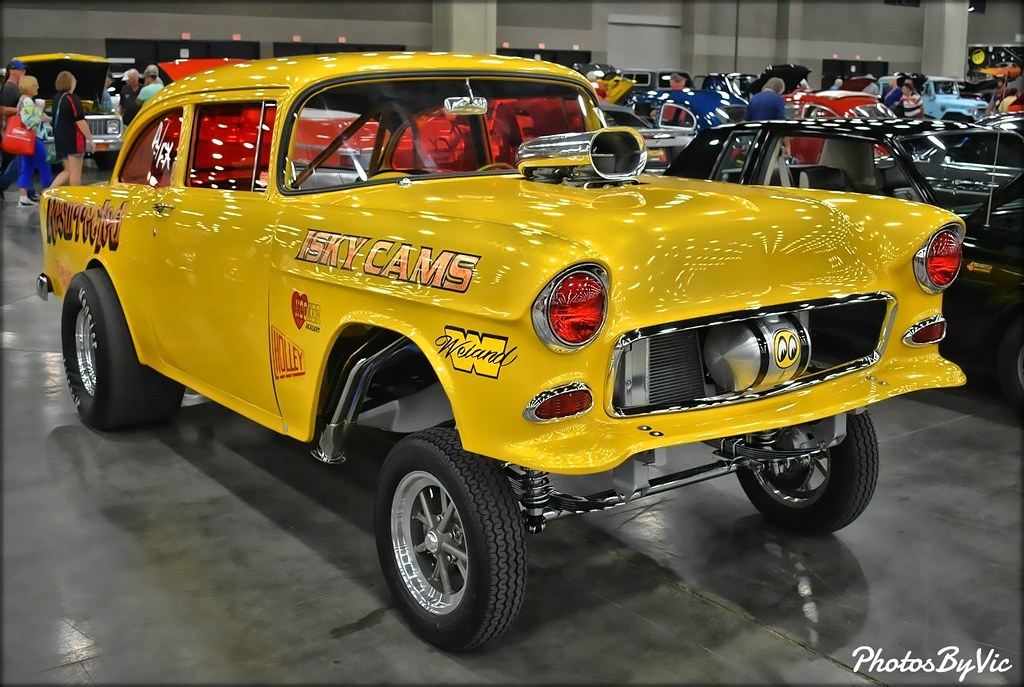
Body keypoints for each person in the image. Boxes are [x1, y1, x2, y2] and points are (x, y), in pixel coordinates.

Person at [50, 70, 94, 188]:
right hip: (74, 140)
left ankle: (48, 192)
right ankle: (76, 199)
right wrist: (90, 140)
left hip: (60, 140)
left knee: (68, 171)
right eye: (74, 80)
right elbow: (80, 121)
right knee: (75, 173)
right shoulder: (72, 99)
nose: (75, 82)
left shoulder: (56, 99)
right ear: (70, 83)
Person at [14, 75, 52, 206]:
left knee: (27, 166)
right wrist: (42, 116)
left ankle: (23, 197)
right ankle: (48, 194)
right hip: (33, 138)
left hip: (25, 139)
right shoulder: (28, 102)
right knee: (44, 165)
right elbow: (28, 121)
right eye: (35, 85)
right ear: (29, 87)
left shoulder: (22, 100)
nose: (38, 88)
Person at [1, 59, 28, 200]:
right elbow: (2, 109)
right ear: (12, 71)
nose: (23, 72)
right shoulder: (9, 89)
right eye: (20, 70)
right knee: (13, 164)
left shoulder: (14, 88)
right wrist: (19, 110)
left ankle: (29, 193)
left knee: (18, 163)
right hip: (11, 133)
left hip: (14, 133)